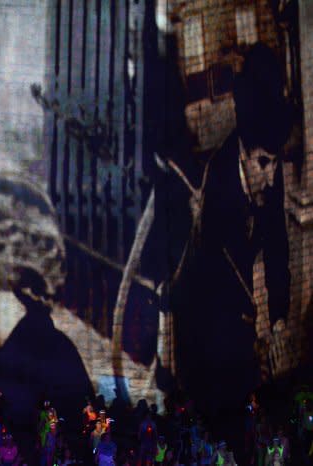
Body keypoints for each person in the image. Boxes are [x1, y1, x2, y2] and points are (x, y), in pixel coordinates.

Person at [173, 42, 293, 419]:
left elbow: (278, 249)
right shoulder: (216, 190)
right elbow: (218, 294)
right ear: (243, 153)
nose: (270, 176)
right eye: (262, 164)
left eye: (275, 163)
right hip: (200, 323)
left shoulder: (268, 173)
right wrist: (254, 346)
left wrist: (279, 322)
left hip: (235, 319)